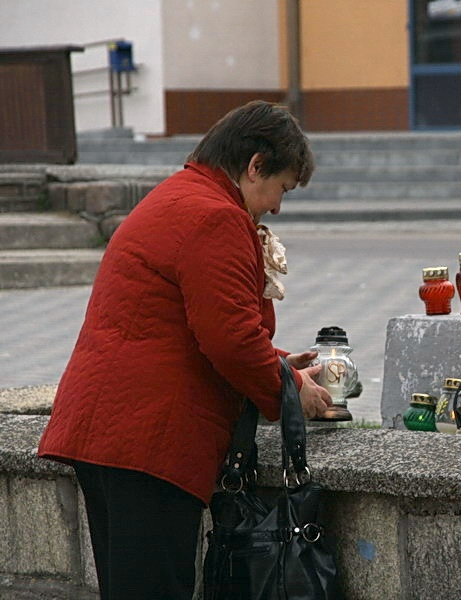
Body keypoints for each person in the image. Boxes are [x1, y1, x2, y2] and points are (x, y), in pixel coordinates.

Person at [38, 100, 332, 600]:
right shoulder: (215, 216)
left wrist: (278, 362)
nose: (278, 207)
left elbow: (185, 326)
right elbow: (230, 341)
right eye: (280, 188)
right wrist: (288, 388)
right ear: (255, 164)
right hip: (148, 440)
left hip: (109, 431)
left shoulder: (178, 196)